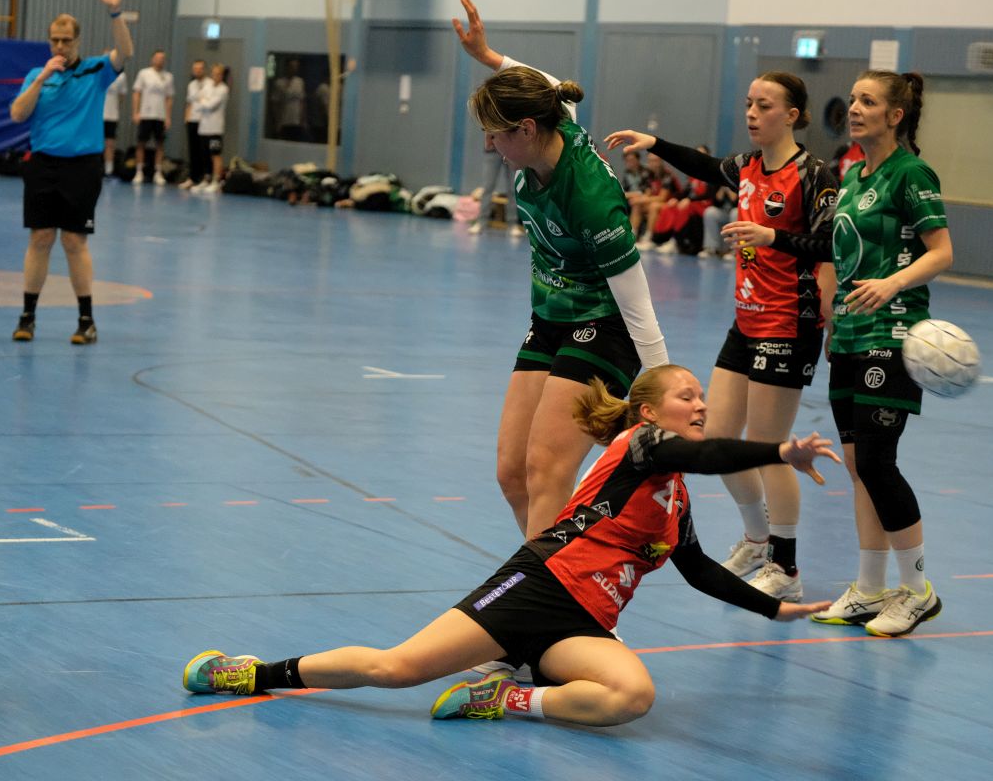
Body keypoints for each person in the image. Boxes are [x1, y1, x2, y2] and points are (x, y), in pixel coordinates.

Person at [180, 365, 838, 726]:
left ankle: (505, 698)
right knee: (397, 669)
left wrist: (774, 608)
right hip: (538, 587)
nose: (699, 404)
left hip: (582, 624)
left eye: (700, 397)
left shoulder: (675, 499)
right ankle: (252, 673)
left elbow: (696, 569)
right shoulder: (639, 448)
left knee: (631, 697)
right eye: (686, 396)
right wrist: (780, 450)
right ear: (648, 414)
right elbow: (711, 453)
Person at [606, 71, 839, 603]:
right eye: (749, 103)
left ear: (792, 115)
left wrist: (771, 236)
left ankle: (786, 566)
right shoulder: (748, 166)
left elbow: (828, 243)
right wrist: (655, 144)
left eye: (765, 105)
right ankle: (757, 540)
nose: (752, 113)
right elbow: (708, 167)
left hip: (788, 322)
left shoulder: (813, 173)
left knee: (769, 447)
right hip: (746, 321)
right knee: (718, 438)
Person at [452, 0, 669, 542]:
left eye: (496, 133)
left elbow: (638, 305)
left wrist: (663, 390)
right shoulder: (553, 118)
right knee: (512, 473)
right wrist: (489, 58)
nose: (489, 144)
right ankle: (556, 575)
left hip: (606, 324)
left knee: (547, 471)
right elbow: (544, 82)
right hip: (551, 316)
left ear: (526, 130)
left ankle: (542, 590)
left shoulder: (590, 197)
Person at [768, 71, 952, 637]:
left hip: (892, 334)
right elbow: (842, 255)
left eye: (867, 101)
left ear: (895, 116)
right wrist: (833, 319)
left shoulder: (911, 173)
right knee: (857, 468)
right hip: (849, 334)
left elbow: (942, 251)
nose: (853, 108)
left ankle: (917, 590)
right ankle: (870, 588)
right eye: (852, 99)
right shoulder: (852, 175)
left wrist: (892, 284)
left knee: (876, 461)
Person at [8, 0, 134, 345]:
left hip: (82, 167)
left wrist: (114, 12)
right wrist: (42, 78)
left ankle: (86, 321)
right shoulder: (37, 75)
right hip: (43, 165)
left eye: (66, 40)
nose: (60, 46)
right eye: (55, 40)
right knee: (40, 238)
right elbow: (18, 114)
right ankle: (27, 317)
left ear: (77, 40)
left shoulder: (96, 71)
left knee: (74, 241)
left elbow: (125, 52)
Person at [131, 49, 173, 185]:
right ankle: (139, 172)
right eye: (158, 58)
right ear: (152, 59)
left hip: (160, 116)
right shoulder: (144, 73)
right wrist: (136, 112)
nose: (160, 60)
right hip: (145, 115)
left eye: (162, 58)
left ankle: (158, 173)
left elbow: (169, 98)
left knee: (160, 144)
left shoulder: (168, 77)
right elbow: (136, 93)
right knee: (141, 143)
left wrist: (168, 117)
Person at [191, 63, 228, 195]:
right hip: (203, 128)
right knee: (204, 155)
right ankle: (206, 179)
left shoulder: (223, 89)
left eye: (218, 74)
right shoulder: (207, 86)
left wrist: (203, 101)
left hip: (215, 130)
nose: (215, 76)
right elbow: (196, 98)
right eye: (214, 74)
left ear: (222, 76)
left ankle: (216, 181)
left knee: (215, 155)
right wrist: (204, 101)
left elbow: (210, 105)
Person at [179, 59, 210, 190]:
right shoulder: (191, 85)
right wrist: (186, 118)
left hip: (205, 122)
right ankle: (193, 178)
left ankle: (205, 178)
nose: (197, 71)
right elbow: (190, 102)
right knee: (193, 150)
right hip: (192, 120)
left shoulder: (210, 84)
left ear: (204, 70)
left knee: (205, 150)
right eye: (195, 69)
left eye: (200, 68)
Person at [102, 70, 127, 176]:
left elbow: (121, 96)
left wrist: (113, 108)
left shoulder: (121, 76)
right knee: (95, 143)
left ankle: (108, 170)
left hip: (112, 116)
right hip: (96, 116)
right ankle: (95, 168)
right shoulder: (98, 71)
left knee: (110, 143)